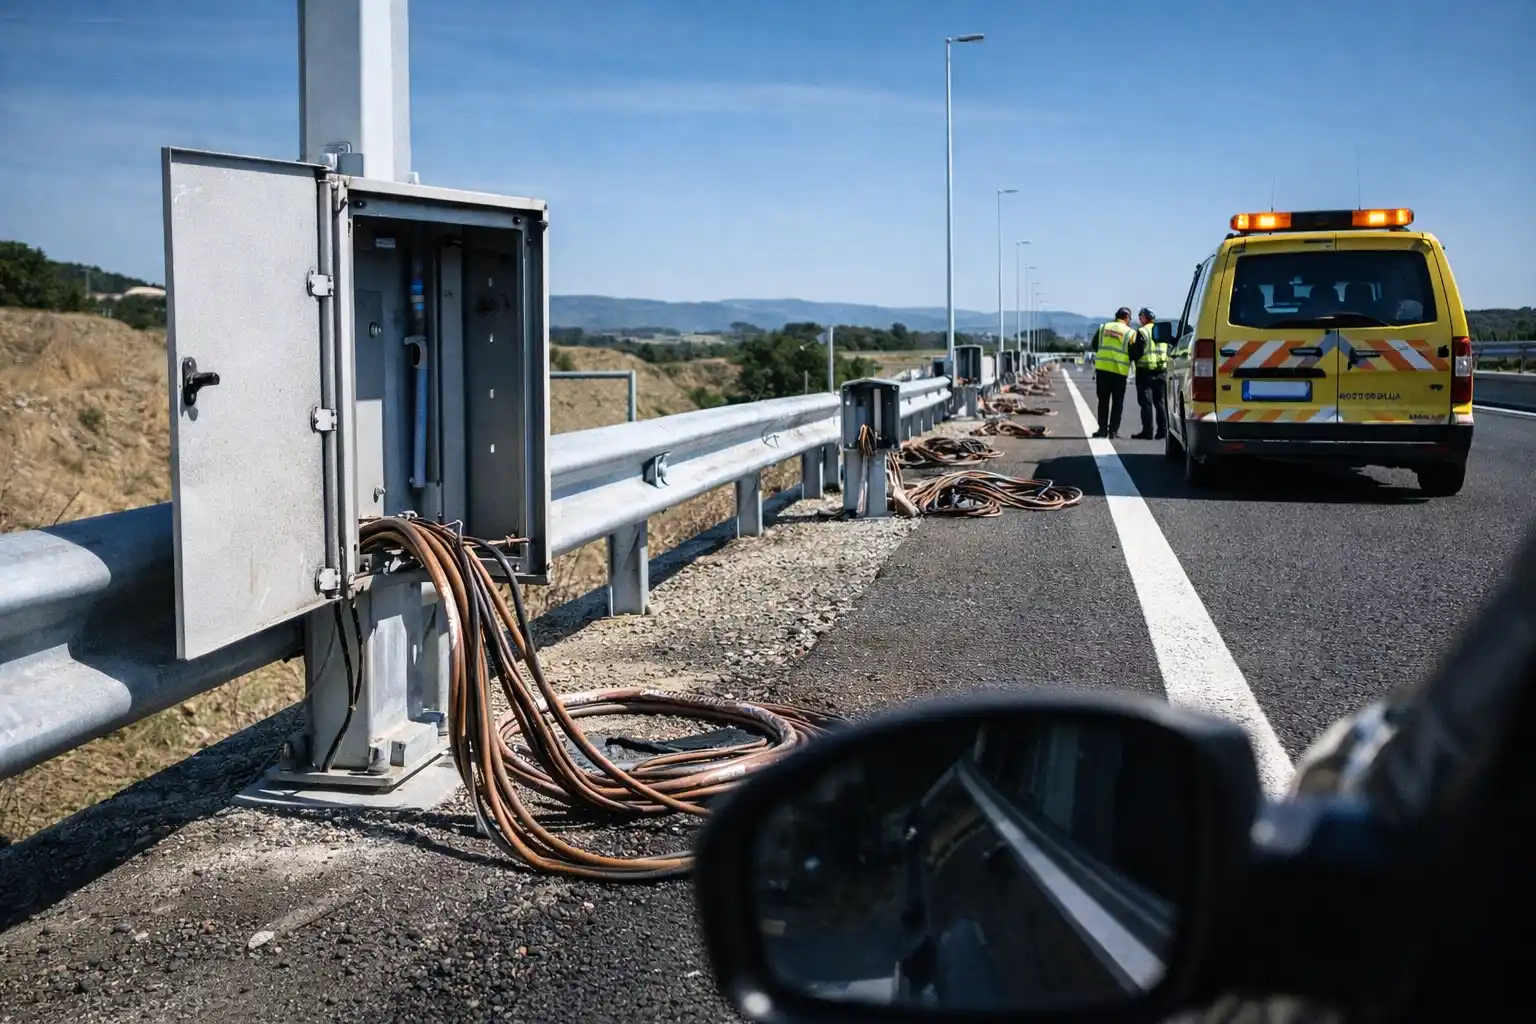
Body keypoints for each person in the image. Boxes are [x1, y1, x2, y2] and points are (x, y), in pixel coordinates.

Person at [1089, 307, 1135, 438]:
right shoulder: (1130, 332)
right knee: (1117, 402)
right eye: (1130, 318)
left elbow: (1094, 344)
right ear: (1126, 317)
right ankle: (1113, 431)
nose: (1130, 321)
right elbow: (1134, 352)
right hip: (1119, 371)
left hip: (1103, 369)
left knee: (1103, 401)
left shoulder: (1104, 327)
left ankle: (1102, 430)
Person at [1128, 307, 1169, 440]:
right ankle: (1162, 431)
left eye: (1140, 316)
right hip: (1161, 370)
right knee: (1160, 402)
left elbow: (1137, 351)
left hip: (1144, 371)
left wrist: (1130, 354)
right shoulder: (1161, 331)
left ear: (1145, 317)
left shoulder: (1142, 331)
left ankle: (1148, 431)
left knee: (1146, 403)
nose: (1139, 318)